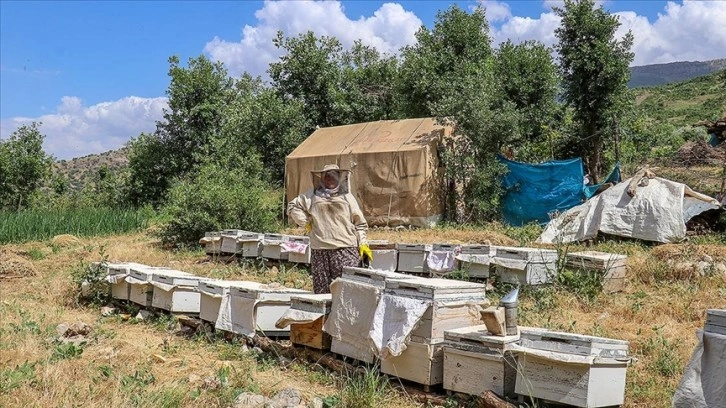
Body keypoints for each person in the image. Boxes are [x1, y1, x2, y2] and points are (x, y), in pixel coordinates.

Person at [287, 164, 372, 294]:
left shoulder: (347, 197)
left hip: (344, 248)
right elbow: (293, 206)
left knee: (347, 290)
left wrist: (363, 243)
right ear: (322, 178)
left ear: (339, 178)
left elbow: (359, 224)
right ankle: (325, 315)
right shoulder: (312, 195)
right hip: (320, 250)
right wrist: (305, 222)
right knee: (322, 292)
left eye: (333, 176)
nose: (330, 180)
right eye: (327, 177)